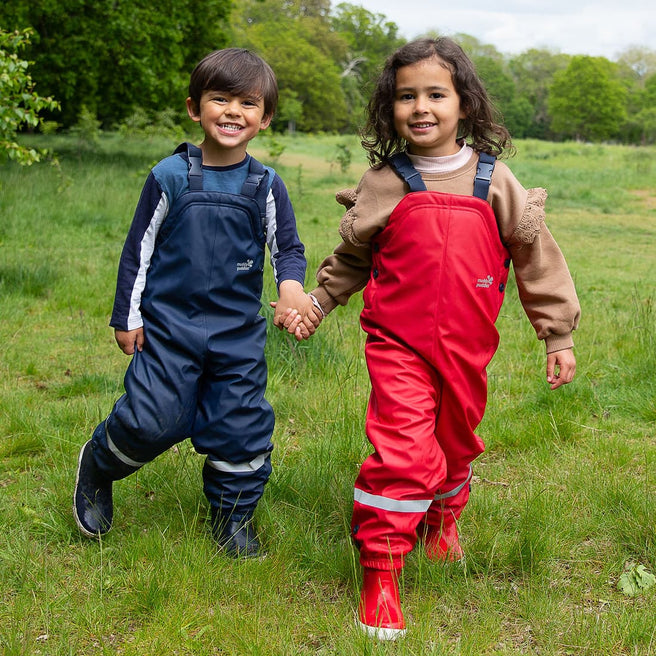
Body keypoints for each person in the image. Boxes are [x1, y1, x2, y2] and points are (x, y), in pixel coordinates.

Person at [305, 37, 580, 638]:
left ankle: (443, 518)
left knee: (454, 445)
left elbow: (537, 263)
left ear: (465, 104)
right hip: (397, 344)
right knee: (404, 451)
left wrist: (556, 334)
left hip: (466, 349)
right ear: (390, 106)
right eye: (407, 96)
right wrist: (321, 301)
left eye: (436, 93)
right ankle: (381, 571)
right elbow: (353, 257)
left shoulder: (495, 180)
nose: (421, 107)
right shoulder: (384, 181)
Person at [73, 48, 320, 558]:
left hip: (236, 335)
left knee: (241, 426)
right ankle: (99, 465)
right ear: (194, 108)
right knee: (151, 420)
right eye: (220, 98)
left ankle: (232, 519)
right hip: (169, 330)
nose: (233, 111)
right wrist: (128, 316)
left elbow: (287, 249)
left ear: (265, 118)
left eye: (247, 103)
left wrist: (291, 288)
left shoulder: (267, 185)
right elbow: (137, 249)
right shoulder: (169, 175)